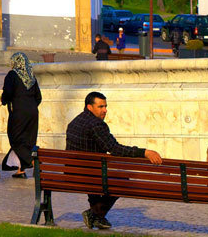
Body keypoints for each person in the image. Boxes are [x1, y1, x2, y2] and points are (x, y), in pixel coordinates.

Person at [66, 92, 162, 230]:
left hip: (73, 174)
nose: (105, 110)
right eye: (100, 107)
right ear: (89, 107)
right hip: (90, 175)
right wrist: (144, 152)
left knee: (94, 172)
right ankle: (94, 214)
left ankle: (97, 216)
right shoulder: (96, 125)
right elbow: (115, 149)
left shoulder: (74, 122)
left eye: (105, 106)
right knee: (123, 181)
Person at [0, 51, 42, 178]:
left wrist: (4, 100)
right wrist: (31, 106)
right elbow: (38, 97)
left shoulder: (12, 75)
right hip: (33, 112)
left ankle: (34, 162)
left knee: (15, 138)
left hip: (18, 111)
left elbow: (8, 92)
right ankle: (21, 170)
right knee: (28, 140)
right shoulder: (31, 77)